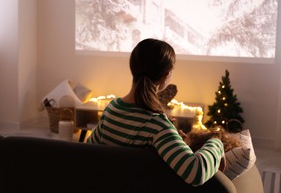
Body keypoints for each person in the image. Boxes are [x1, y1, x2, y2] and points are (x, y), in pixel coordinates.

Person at [87, 38, 226, 186]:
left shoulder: (111, 108)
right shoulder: (157, 124)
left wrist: (172, 138)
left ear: (132, 67)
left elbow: (91, 150)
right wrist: (217, 144)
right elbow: (196, 173)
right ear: (166, 75)